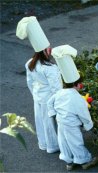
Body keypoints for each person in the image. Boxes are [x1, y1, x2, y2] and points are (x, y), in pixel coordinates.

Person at [47, 45, 98, 171]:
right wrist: (88, 125)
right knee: (75, 142)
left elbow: (49, 102)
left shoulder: (59, 92)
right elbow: (84, 115)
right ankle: (85, 160)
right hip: (71, 124)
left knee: (64, 142)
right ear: (77, 84)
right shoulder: (77, 99)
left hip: (61, 121)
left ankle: (69, 161)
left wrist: (53, 113)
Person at [16, 16, 61, 153]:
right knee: (51, 123)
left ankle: (44, 143)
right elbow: (56, 88)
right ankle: (55, 145)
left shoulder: (30, 63)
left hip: (38, 96)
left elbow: (30, 82)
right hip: (49, 98)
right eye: (49, 48)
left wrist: (35, 94)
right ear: (45, 51)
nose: (51, 50)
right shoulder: (50, 68)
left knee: (41, 122)